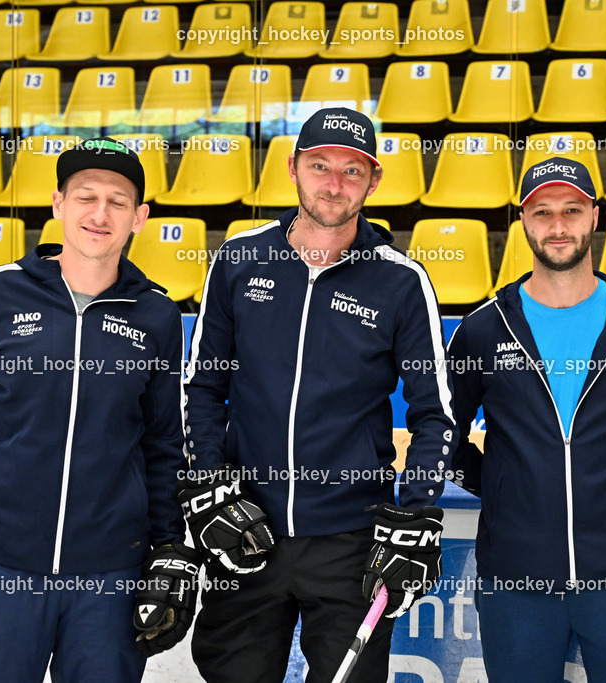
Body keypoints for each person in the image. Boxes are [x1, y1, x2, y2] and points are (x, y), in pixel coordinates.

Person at [181, 107, 456, 683]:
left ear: (374, 181)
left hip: (351, 543)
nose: (335, 183)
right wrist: (209, 484)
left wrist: (419, 512)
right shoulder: (238, 259)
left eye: (353, 170)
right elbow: (204, 386)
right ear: (293, 169)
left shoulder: (401, 280)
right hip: (247, 530)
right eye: (320, 165)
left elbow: (435, 415)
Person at [0, 137, 198, 681]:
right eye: (85, 197)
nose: (100, 214)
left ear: (139, 217)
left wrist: (170, 547)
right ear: (57, 204)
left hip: (110, 576)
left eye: (118, 202)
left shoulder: (157, 315)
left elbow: (164, 443)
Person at [447, 158, 606, 681]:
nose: (558, 226)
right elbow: (442, 432)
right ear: (524, 221)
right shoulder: (483, 330)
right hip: (514, 582)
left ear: (594, 216)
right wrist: (496, 482)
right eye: (543, 212)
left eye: (572, 210)